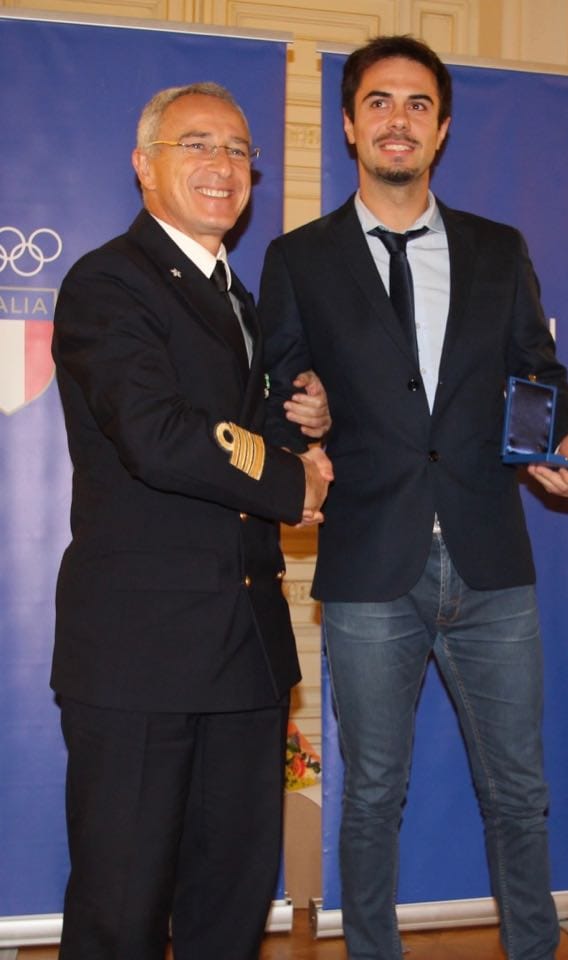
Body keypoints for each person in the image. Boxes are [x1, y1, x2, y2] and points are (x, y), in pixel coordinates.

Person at [259, 35, 568, 960]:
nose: (398, 119)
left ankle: (533, 948)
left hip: (492, 558)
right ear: (349, 123)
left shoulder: (498, 248)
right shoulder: (298, 258)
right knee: (372, 793)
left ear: (442, 129)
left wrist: (566, 436)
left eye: (418, 104)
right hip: (370, 563)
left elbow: (539, 370)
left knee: (519, 791)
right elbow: (279, 389)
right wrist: (304, 413)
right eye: (379, 101)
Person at [51, 81, 333, 960]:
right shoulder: (109, 282)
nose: (223, 165)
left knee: (231, 904)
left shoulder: (239, 298)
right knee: (121, 910)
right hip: (142, 650)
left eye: (239, 150)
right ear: (144, 166)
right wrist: (291, 481)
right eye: (198, 144)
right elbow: (160, 435)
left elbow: (244, 427)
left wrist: (307, 431)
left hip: (246, 649)